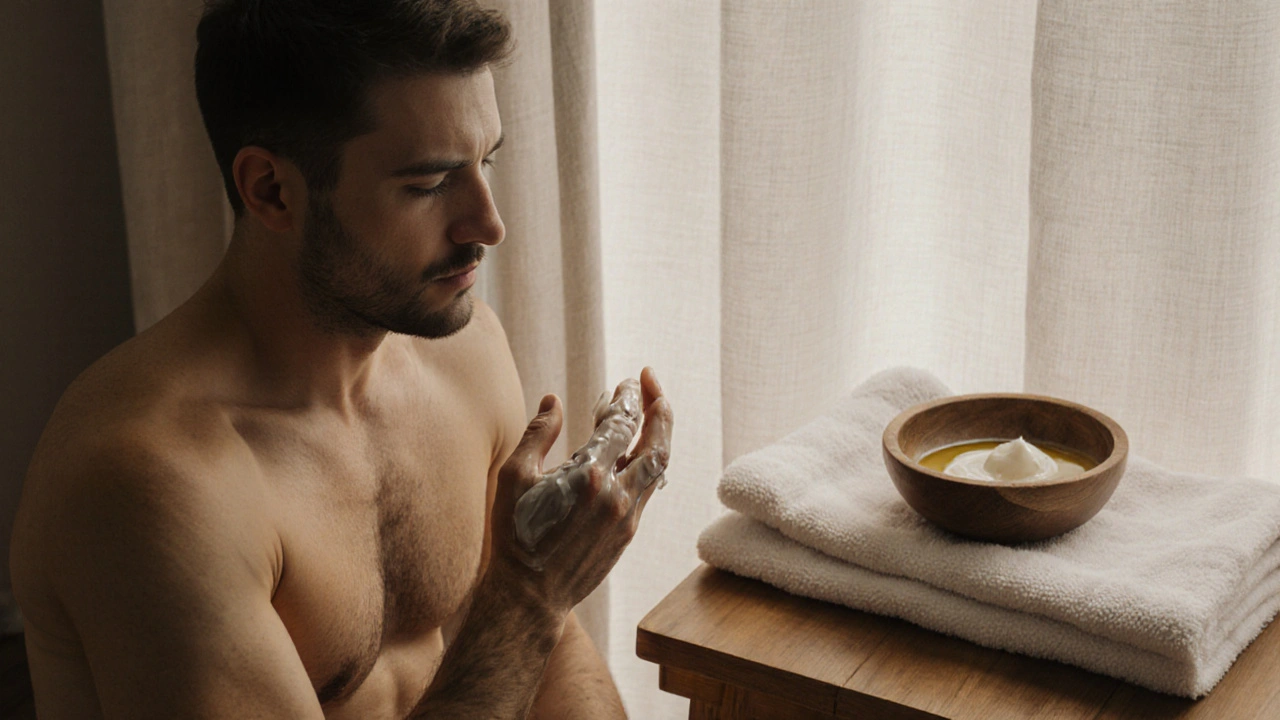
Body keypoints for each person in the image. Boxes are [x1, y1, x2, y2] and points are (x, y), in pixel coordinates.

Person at [8, 1, 672, 717]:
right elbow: (527, 612)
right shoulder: (152, 482)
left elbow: (546, 651)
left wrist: (536, 596)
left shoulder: (466, 355)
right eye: (428, 184)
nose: (489, 224)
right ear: (271, 190)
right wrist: (533, 595)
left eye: (486, 162)